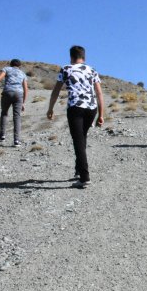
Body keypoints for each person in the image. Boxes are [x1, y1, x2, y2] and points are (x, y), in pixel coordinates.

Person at [46, 45, 105, 188]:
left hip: (75, 107)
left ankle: (84, 178)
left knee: (78, 140)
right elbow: (99, 93)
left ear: (71, 57)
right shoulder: (92, 70)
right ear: (84, 57)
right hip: (91, 109)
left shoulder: (66, 69)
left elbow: (56, 91)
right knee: (82, 137)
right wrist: (101, 115)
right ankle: (79, 170)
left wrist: (51, 108)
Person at [0, 59, 28, 146]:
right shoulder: (23, 74)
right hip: (19, 94)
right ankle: (16, 141)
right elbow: (26, 88)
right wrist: (23, 102)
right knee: (17, 117)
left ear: (11, 64)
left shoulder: (7, 69)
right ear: (19, 66)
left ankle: (2, 135)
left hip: (7, 92)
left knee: (4, 113)